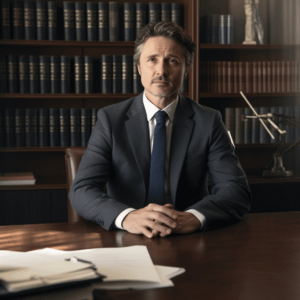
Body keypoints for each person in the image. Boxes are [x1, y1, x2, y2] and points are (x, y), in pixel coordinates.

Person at [69, 21, 251, 238]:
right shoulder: (110, 120)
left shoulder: (208, 121)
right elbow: (82, 190)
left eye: (172, 61)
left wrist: (194, 217)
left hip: (188, 237)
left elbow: (236, 190)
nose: (161, 70)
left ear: (186, 70)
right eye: (152, 60)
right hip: (126, 237)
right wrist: (127, 216)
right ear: (138, 67)